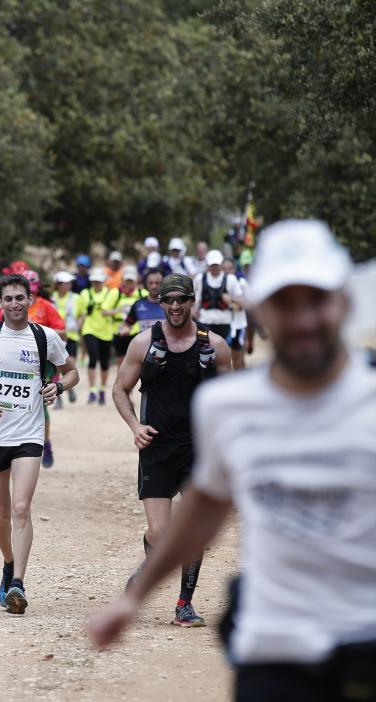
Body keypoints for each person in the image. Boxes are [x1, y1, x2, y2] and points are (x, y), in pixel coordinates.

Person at [90, 219, 376, 702]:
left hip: (365, 641)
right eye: (285, 303)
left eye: (317, 300)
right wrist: (133, 601)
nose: (302, 319)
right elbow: (203, 512)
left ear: (343, 303)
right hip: (271, 650)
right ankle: (183, 599)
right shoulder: (230, 407)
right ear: (261, 310)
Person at [0, 273, 79, 614]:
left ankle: (19, 582)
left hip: (28, 434)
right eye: (8, 299)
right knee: (0, 515)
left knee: (21, 508)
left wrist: (59, 386)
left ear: (30, 299)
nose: (14, 304)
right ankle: (8, 563)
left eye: (20, 297)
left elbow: (72, 372)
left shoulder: (44, 337)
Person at [111, 273, 231, 627]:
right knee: (161, 533)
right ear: (160, 303)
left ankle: (184, 604)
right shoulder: (143, 343)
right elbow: (120, 389)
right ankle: (152, 560)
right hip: (157, 447)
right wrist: (135, 426)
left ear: (192, 301)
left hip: (199, 449)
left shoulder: (216, 346)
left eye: (182, 300)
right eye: (169, 300)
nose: (175, 306)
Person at [0, 270, 66, 467]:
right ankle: (14, 440)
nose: (15, 302)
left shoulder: (46, 306)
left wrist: (40, 332)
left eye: (33, 283)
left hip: (43, 361)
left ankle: (44, 442)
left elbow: (63, 331)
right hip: (13, 360)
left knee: (39, 402)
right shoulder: (11, 304)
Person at [78, 268, 114, 404]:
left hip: (106, 331)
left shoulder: (110, 294)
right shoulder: (85, 294)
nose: (96, 284)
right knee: (93, 358)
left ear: (103, 282)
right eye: (94, 281)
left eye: (99, 281)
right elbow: (81, 313)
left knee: (104, 362)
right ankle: (92, 390)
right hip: (89, 329)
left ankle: (102, 390)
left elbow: (114, 311)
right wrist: (79, 328)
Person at [193, 249, 244, 340]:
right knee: (203, 348)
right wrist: (192, 309)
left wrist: (231, 300)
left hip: (224, 323)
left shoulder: (231, 279)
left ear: (221, 264)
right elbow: (192, 298)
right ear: (208, 264)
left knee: (221, 350)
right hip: (204, 322)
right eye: (212, 264)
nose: (215, 267)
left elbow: (241, 302)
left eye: (217, 264)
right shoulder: (200, 278)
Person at [104, 266, 147, 368]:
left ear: (136, 280)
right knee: (120, 356)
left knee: (136, 355)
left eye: (131, 280)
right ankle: (121, 377)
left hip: (137, 330)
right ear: (123, 280)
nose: (129, 283)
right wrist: (117, 310)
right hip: (119, 329)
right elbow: (104, 312)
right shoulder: (115, 293)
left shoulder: (143, 293)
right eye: (127, 280)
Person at [52, 271, 83, 403]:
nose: (69, 285)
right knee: (57, 367)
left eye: (70, 283)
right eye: (66, 283)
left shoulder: (76, 298)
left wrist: (78, 326)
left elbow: (82, 314)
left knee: (70, 365)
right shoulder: (51, 298)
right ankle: (58, 396)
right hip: (55, 337)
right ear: (58, 285)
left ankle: (69, 386)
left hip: (71, 336)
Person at [222, 257, 249, 370]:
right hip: (224, 325)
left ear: (234, 269)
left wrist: (230, 302)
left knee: (238, 361)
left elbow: (246, 305)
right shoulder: (218, 283)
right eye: (224, 269)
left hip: (239, 325)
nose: (227, 271)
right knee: (225, 361)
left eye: (230, 268)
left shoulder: (241, 282)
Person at [123, 268, 166, 335]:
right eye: (151, 283)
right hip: (144, 344)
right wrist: (125, 330)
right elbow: (127, 324)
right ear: (146, 284)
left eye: (157, 283)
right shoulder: (138, 305)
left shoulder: (170, 304)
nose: (154, 286)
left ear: (162, 284)